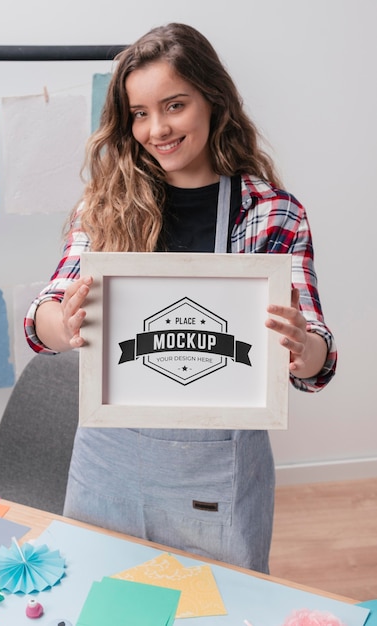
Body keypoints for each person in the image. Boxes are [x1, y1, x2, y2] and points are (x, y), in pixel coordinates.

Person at [24, 22, 337, 574]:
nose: (157, 128)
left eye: (174, 106)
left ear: (213, 101)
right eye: (140, 113)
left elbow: (314, 364)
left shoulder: (271, 212)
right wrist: (64, 321)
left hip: (217, 473)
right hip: (107, 467)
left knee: (218, 607)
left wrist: (301, 345)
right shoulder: (106, 203)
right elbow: (41, 320)